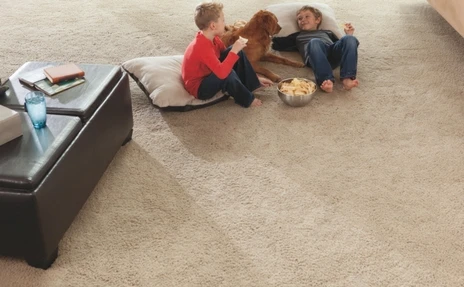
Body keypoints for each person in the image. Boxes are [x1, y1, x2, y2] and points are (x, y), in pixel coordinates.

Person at [181, 2, 272, 108]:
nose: (225, 23)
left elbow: (229, 60)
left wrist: (255, 78)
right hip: (200, 88)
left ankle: (252, 84)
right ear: (213, 26)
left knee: (237, 53)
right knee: (228, 72)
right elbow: (223, 73)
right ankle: (247, 99)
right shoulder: (202, 47)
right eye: (223, 20)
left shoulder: (213, 38)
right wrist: (234, 50)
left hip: (209, 73)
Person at [272, 5, 359, 93]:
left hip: (332, 54)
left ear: (317, 20)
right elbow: (275, 44)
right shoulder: (297, 36)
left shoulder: (327, 32)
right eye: (299, 18)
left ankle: (347, 78)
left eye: (307, 16)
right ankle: (326, 80)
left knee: (350, 39)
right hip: (316, 57)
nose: (303, 20)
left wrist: (349, 35)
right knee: (315, 41)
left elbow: (343, 46)